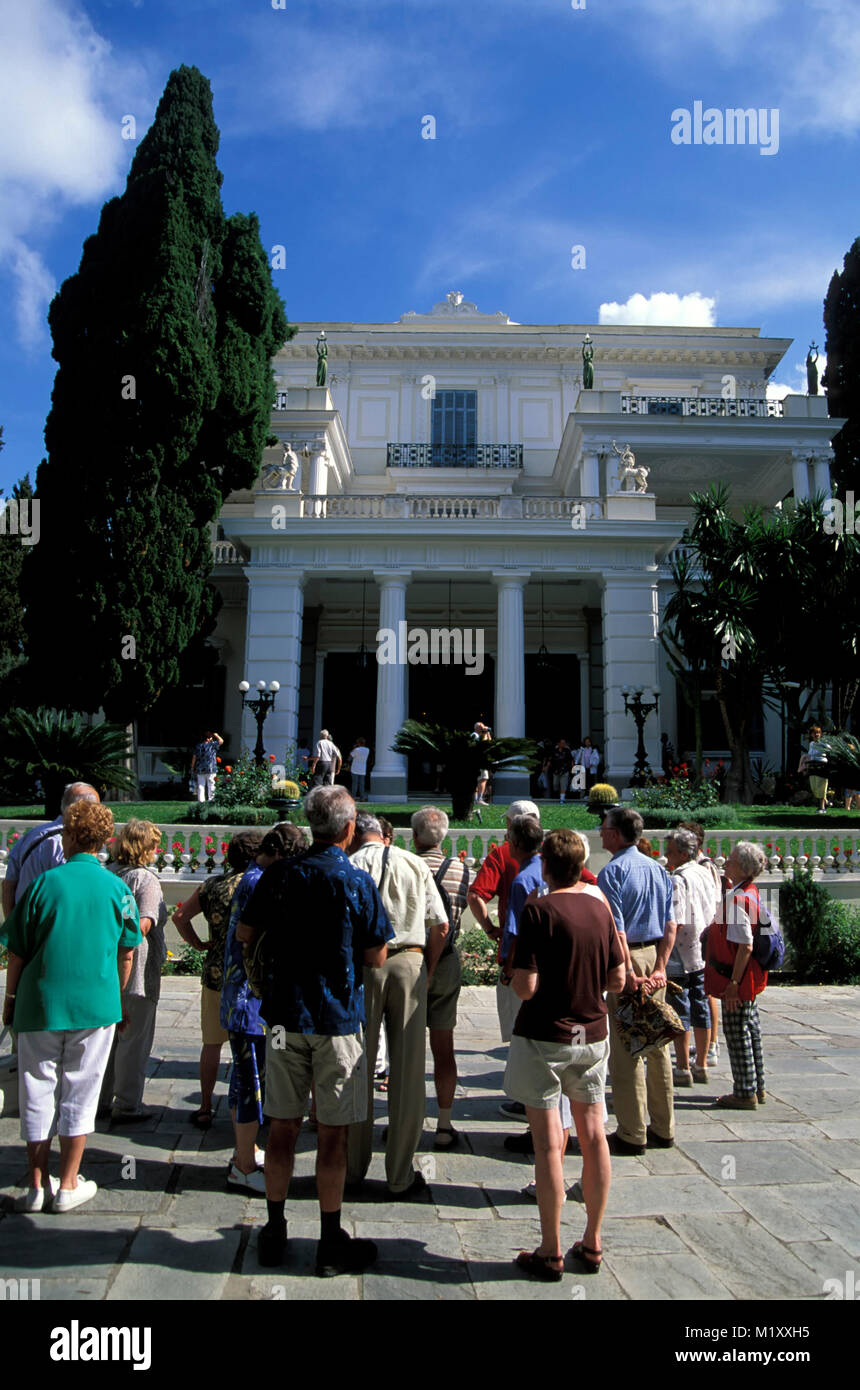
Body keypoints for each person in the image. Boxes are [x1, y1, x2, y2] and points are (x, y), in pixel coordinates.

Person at [236, 786, 393, 1275]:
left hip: (283, 1018)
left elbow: (245, 933)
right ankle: (329, 1240)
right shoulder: (357, 882)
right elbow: (375, 954)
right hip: (336, 1021)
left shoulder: (279, 875)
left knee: (281, 1125)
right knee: (332, 1133)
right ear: (348, 829)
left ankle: (276, 1227)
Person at [0, 801, 141, 1213]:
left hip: (40, 1001)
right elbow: (127, 952)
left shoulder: (45, 884)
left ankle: (35, 1184)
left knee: (36, 1088)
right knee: (81, 1088)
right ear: (104, 841)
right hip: (95, 1004)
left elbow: (18, 953)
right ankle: (68, 1183)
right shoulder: (118, 889)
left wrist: (9, 1001)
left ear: (68, 836)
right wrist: (119, 1000)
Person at [504, 829, 626, 1281]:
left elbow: (527, 986)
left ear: (547, 866)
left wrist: (515, 977)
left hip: (545, 1035)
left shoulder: (539, 910)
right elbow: (616, 980)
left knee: (547, 1142)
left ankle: (551, 1250)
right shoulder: (600, 906)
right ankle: (593, 1241)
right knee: (594, 1136)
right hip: (590, 1032)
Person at [347, 812, 448, 1197]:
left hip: (362, 965)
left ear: (354, 833)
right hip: (410, 959)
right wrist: (429, 966)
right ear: (385, 833)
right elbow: (439, 925)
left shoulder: (350, 863)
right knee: (407, 1072)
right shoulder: (413, 862)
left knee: (358, 1064)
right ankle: (399, 1173)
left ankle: (353, 1167)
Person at [221, 822, 308, 1193]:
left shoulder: (252, 876)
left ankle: (246, 1153)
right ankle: (243, 1164)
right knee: (250, 1083)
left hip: (244, 1000)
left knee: (245, 1080)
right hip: (249, 1002)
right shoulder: (261, 881)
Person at [597, 807, 677, 1155]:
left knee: (627, 1048)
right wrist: (660, 966)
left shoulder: (612, 872)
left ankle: (631, 1132)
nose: (600, 834)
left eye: (603, 829)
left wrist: (627, 972)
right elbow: (672, 924)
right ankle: (664, 1127)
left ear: (616, 834)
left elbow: (616, 929)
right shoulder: (658, 870)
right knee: (657, 1043)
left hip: (628, 957)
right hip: (655, 958)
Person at [172, 831, 265, 1128]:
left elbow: (179, 917)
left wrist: (198, 944)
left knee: (211, 1043)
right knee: (255, 1044)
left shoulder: (213, 886)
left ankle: (205, 1105)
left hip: (216, 972)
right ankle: (257, 1106)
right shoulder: (260, 885)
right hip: (252, 979)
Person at [467, 799, 542, 1121]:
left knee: (520, 1031)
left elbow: (475, 895)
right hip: (554, 959)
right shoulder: (557, 853)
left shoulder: (502, 854)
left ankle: (529, 1101)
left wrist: (489, 929)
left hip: (519, 959)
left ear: (511, 829)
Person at [410, 806, 472, 1148]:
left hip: (412, 956)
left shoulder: (407, 866)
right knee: (443, 1047)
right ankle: (445, 1123)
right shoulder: (461, 870)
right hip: (448, 958)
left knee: (408, 1048)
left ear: (416, 836)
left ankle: (410, 1119)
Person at [99, 820, 167, 1124]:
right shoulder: (145, 879)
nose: (157, 850)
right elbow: (143, 924)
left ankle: (100, 1099)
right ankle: (127, 1104)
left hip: (104, 967)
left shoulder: (107, 874)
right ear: (143, 847)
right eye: (153, 844)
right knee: (134, 1040)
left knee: (107, 1040)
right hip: (137, 969)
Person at [705, 842, 770, 1110]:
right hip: (750, 977)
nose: (725, 862)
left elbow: (745, 945)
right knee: (751, 1028)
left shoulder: (737, 899)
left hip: (739, 979)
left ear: (743, 868)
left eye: (730, 860)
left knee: (737, 1032)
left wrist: (733, 984)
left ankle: (744, 1092)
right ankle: (757, 1087)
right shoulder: (750, 892)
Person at [663, 829, 720, 1087]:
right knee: (700, 1006)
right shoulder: (704, 872)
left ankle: (683, 1065)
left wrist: (663, 952)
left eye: (671, 851)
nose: (666, 855)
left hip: (682, 952)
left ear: (684, 853)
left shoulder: (679, 878)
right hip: (702, 949)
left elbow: (677, 920)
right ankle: (702, 1063)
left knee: (680, 1008)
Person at [2, 782, 100, 915]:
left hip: (24, 922)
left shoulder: (32, 835)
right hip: (50, 927)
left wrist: (12, 928)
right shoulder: (70, 844)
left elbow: (8, 886)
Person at [679, 821, 722, 1066]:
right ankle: (707, 1045)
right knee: (703, 993)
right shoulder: (696, 867)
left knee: (707, 994)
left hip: (703, 936)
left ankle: (713, 1043)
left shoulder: (705, 867)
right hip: (699, 938)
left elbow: (714, 902)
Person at [800, 724, 829, 814]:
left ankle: (822, 807)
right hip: (813, 767)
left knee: (821, 786)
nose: (816, 734)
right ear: (811, 734)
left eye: (818, 733)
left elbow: (831, 750)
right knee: (814, 787)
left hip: (821, 766)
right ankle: (826, 802)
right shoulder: (811, 744)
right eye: (814, 733)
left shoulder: (824, 743)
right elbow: (810, 755)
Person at [191, 730, 224, 803]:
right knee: (211, 785)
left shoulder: (198, 746)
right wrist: (216, 735)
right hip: (211, 768)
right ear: (209, 738)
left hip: (200, 768)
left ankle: (201, 801)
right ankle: (211, 801)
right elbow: (221, 741)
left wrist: (193, 767)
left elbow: (194, 757)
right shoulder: (212, 745)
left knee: (201, 785)